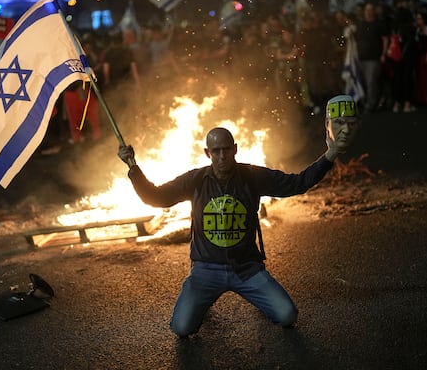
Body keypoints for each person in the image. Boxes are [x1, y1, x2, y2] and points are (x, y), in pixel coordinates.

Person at [117, 94, 360, 337]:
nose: (222, 156)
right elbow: (156, 198)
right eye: (216, 151)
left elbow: (296, 184)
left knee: (287, 315)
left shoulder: (252, 177)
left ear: (235, 149)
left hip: (247, 269)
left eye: (226, 150)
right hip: (206, 270)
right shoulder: (196, 180)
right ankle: (203, 298)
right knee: (181, 328)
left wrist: (330, 155)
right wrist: (133, 168)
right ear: (207, 153)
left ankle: (247, 299)